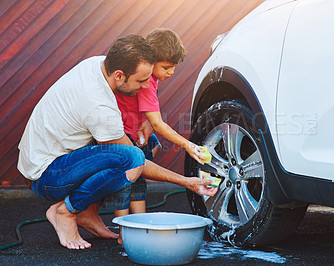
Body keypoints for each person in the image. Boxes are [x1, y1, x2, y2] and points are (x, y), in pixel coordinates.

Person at [17, 34, 217, 250]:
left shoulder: (97, 64)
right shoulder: (99, 106)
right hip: (47, 177)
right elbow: (136, 161)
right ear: (120, 75)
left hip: (46, 160)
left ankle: (88, 213)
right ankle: (65, 211)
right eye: (141, 81)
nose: (144, 87)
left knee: (123, 154)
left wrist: (147, 122)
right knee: (132, 159)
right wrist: (187, 182)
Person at [102, 29, 205, 244]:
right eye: (167, 67)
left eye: (174, 67)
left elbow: (149, 116)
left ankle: (138, 226)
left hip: (134, 132)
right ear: (151, 62)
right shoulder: (147, 83)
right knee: (125, 183)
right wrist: (187, 145)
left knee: (138, 182)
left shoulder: (149, 80)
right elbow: (158, 123)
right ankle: (124, 232)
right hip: (123, 136)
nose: (172, 72)